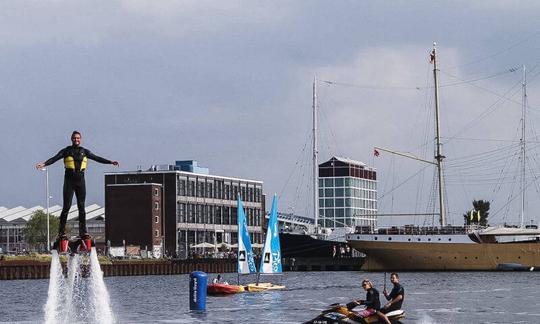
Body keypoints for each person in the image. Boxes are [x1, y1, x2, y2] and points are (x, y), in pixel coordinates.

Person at [36, 131, 119, 243]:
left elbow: (97, 158)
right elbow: (54, 158)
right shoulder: (66, 151)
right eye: (75, 138)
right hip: (69, 181)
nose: (76, 140)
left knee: (82, 207)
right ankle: (61, 232)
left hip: (80, 180)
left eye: (78, 138)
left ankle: (83, 231)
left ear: (81, 139)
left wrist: (110, 162)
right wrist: (44, 164)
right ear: (71, 139)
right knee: (66, 207)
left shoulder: (84, 151)